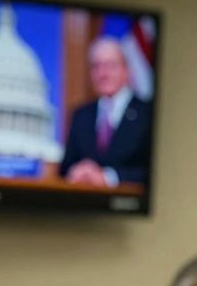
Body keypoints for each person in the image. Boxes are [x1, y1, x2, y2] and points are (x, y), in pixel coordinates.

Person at [60, 36, 152, 188]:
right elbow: (64, 169)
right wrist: (78, 171)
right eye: (96, 66)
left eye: (111, 65)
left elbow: (153, 171)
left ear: (126, 70)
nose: (103, 73)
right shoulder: (81, 115)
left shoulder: (147, 114)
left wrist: (108, 178)